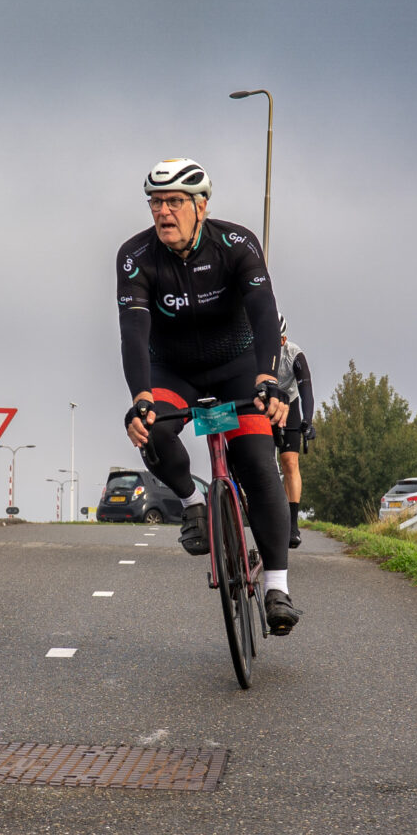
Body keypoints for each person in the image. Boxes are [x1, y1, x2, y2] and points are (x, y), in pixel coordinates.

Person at [115, 158, 302, 633]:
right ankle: (191, 503)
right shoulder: (136, 256)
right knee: (153, 431)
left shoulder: (235, 244)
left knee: (257, 460)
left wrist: (267, 378)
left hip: (238, 366)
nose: (164, 212)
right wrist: (141, 398)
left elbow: (263, 310)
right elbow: (133, 329)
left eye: (175, 202)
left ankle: (277, 588)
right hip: (172, 370)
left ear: (201, 206)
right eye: (156, 202)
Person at [272, 321, 313, 548]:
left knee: (290, 462)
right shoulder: (253, 349)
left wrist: (308, 420)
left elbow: (306, 389)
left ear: (283, 340)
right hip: (263, 405)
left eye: (274, 339)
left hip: (289, 404)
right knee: (264, 462)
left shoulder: (294, 355)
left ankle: (293, 525)